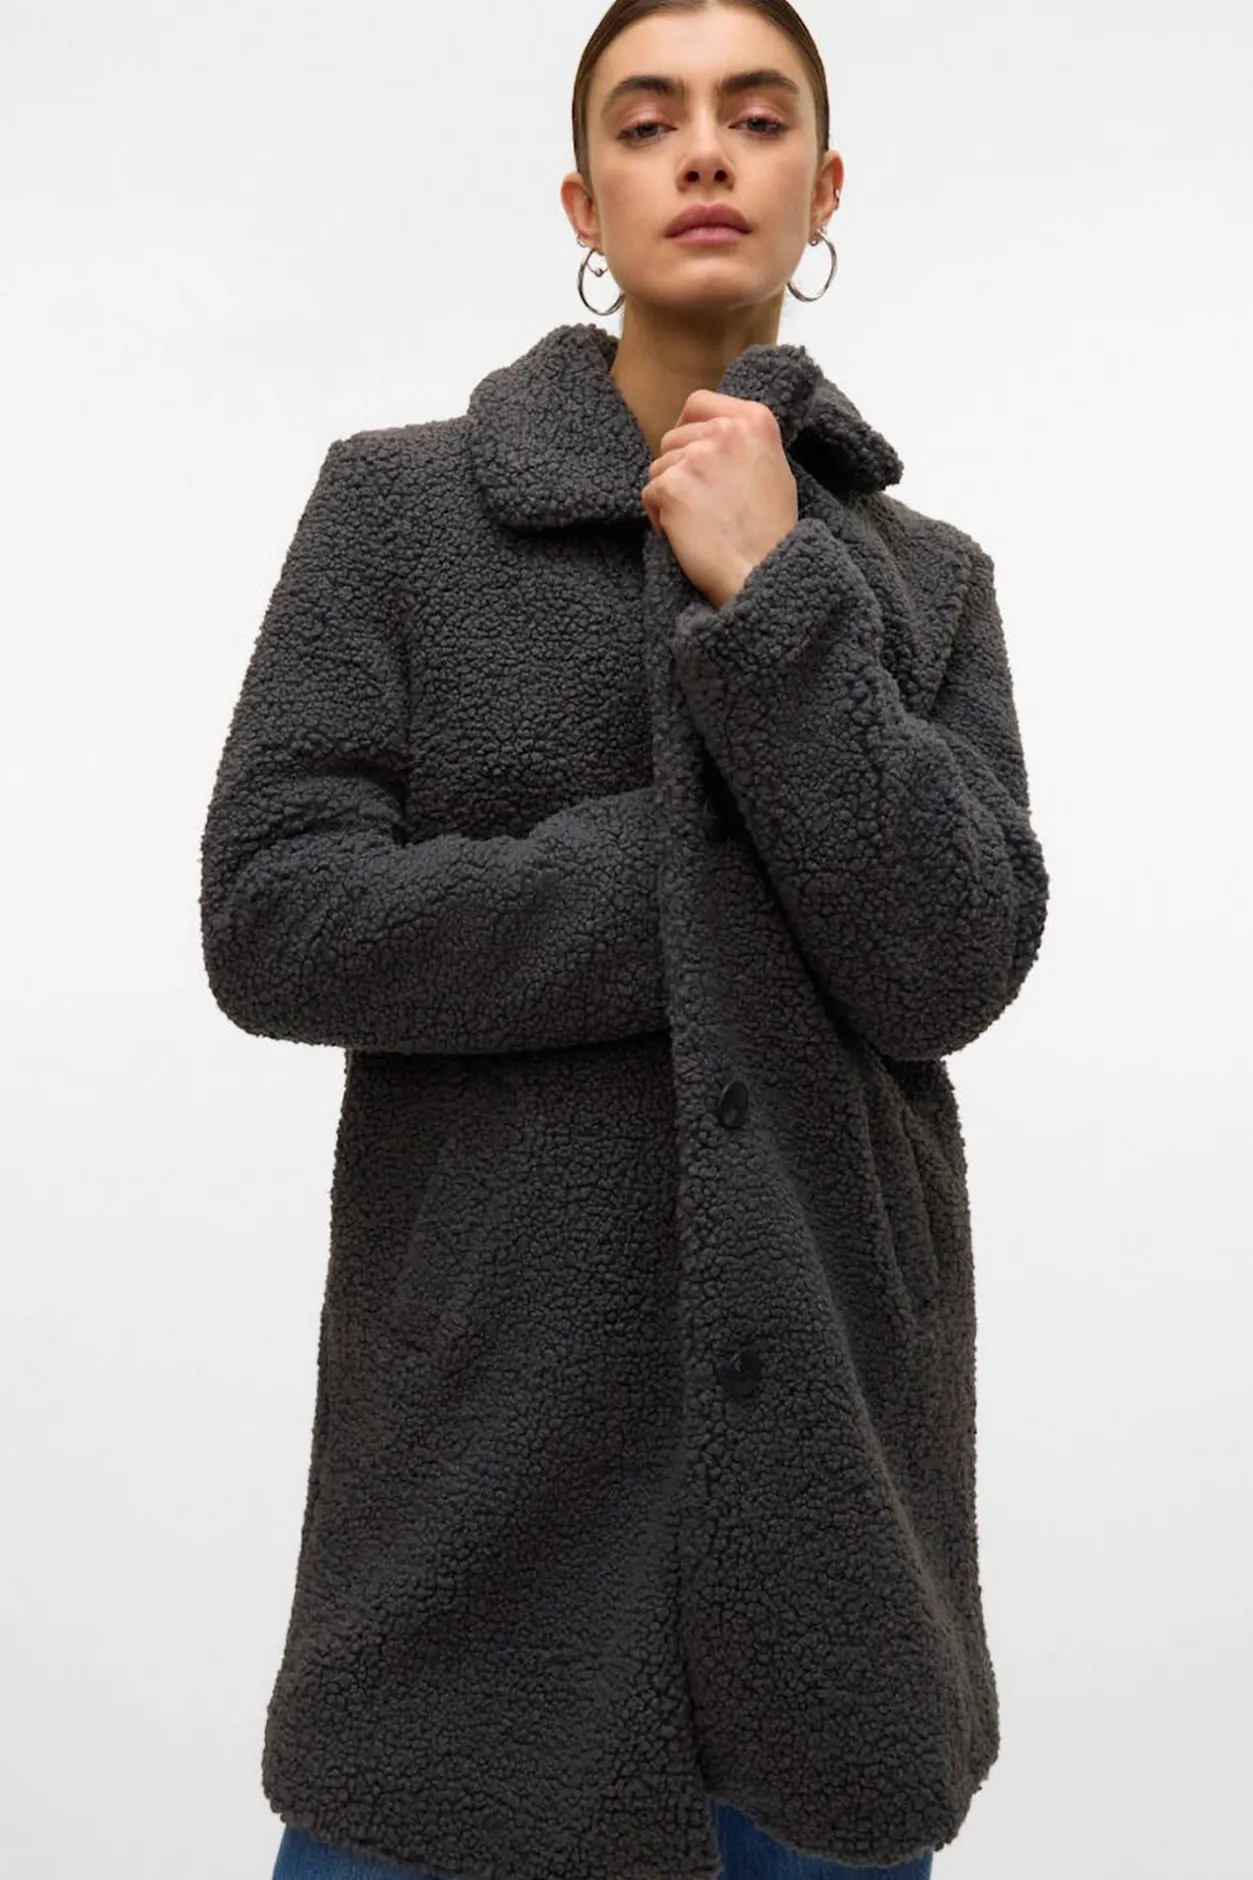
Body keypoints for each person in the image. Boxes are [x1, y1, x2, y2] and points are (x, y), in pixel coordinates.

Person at [201, 4, 1050, 1878]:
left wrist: (785, 594)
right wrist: (694, 875)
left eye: (758, 115)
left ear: (822, 186)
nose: (705, 150)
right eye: (649, 120)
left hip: (834, 1530)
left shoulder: (924, 583)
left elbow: (955, 961)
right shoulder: (401, 513)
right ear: (584, 201)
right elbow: (273, 914)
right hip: (477, 1502)